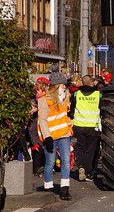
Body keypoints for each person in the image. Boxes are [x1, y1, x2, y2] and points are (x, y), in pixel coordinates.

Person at [38, 66, 73, 200]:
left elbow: (65, 113)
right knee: (50, 162)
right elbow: (42, 119)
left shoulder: (65, 96)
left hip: (64, 134)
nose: (65, 86)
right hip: (51, 137)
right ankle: (48, 187)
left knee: (65, 160)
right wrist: (47, 137)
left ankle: (65, 189)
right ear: (56, 85)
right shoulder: (44, 100)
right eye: (62, 83)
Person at [70, 74, 101, 182]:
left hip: (79, 126)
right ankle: (88, 171)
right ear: (92, 83)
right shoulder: (98, 95)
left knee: (80, 148)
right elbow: (101, 109)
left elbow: (72, 109)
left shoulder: (76, 94)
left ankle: (81, 166)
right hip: (92, 127)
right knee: (90, 150)